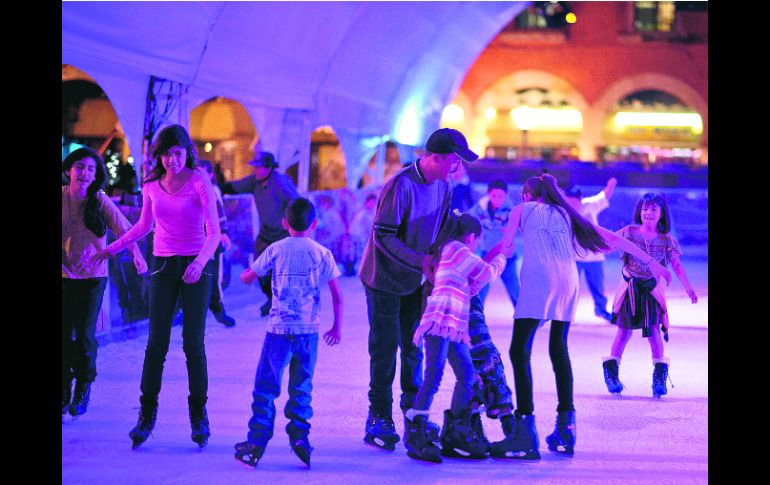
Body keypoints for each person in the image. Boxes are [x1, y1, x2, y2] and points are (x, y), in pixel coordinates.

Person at [497, 174, 670, 459]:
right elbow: (613, 238)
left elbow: (506, 247)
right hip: (567, 282)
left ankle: (525, 428)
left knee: (519, 351)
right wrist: (651, 261)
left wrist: (477, 265)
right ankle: (567, 425)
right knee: (558, 349)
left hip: (539, 280)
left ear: (528, 195)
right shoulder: (568, 214)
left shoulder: (521, 210)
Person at [93, 124, 221, 450]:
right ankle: (146, 414)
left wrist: (199, 263)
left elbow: (214, 232)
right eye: (165, 154)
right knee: (156, 344)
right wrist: (112, 247)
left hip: (196, 265)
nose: (171, 160)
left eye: (177, 153)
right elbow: (143, 226)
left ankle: (198, 414)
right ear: (159, 156)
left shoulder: (199, 182)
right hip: (163, 265)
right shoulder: (151, 185)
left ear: (186, 153)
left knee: (193, 343)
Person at [358, 127, 478, 451]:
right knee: (384, 350)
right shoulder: (401, 185)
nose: (457, 167)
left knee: (413, 348)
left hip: (415, 279)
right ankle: (378, 416)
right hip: (382, 279)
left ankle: (412, 412)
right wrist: (420, 260)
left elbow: (441, 229)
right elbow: (382, 235)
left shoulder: (444, 184)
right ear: (435, 157)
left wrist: (453, 251)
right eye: (454, 161)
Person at [234, 198, 343, 468]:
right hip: (309, 332)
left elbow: (249, 276)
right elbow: (338, 297)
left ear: (285, 223)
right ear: (314, 224)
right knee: (301, 386)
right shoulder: (322, 253)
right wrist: (337, 327)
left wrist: (245, 274)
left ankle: (256, 442)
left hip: (279, 332)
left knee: (266, 386)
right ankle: (300, 438)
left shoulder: (276, 249)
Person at [404, 213, 509, 463]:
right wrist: (502, 257)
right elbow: (486, 272)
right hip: (440, 320)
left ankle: (457, 427)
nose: (475, 247)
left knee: (466, 373)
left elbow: (472, 281)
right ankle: (415, 425)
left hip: (454, 325)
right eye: (477, 242)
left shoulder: (454, 253)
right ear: (471, 237)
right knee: (434, 375)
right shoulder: (456, 249)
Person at [62, 148, 147, 418]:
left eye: (90, 168)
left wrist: (137, 255)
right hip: (64, 276)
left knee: (85, 334)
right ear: (68, 171)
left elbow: (126, 229)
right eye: (80, 167)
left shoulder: (99, 200)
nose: (85, 173)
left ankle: (83, 387)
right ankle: (64, 387)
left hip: (93, 277)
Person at [602, 193, 697, 399]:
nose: (648, 212)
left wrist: (688, 287)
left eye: (654, 209)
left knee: (654, 331)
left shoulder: (667, 240)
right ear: (639, 211)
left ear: (662, 214)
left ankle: (659, 377)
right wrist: (590, 242)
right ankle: (612, 372)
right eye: (645, 208)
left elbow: (677, 266)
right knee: (624, 331)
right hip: (630, 289)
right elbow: (609, 242)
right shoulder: (629, 232)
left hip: (652, 291)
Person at [222, 151, 299, 316]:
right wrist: (216, 186)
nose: (255, 171)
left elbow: (297, 201)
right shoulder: (254, 182)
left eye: (258, 167)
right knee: (259, 266)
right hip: (266, 233)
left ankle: (283, 302)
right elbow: (235, 187)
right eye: (254, 167)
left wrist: (293, 223)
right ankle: (271, 298)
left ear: (269, 168)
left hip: (283, 234)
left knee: (281, 270)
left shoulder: (280, 182)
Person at [564, 178, 617, 322]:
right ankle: (566, 313)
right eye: (568, 201)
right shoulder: (563, 212)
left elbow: (604, 196)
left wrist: (610, 185)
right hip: (574, 257)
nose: (571, 204)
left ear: (580, 199)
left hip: (594, 256)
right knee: (571, 287)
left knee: (597, 286)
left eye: (573, 201)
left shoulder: (589, 205)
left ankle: (600, 310)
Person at [196, 159, 236, 327]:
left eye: (203, 172)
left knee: (214, 275)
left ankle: (218, 308)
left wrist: (224, 233)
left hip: (212, 239)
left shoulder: (213, 191)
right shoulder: (191, 188)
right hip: (195, 241)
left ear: (210, 175)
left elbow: (219, 213)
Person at [468, 179, 520, 308]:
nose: (497, 199)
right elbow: (465, 216)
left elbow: (520, 230)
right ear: (488, 194)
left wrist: (511, 231)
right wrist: (455, 213)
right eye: (493, 195)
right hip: (488, 255)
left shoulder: (511, 211)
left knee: (515, 291)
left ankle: (526, 320)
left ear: (506, 195)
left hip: (507, 258)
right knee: (480, 290)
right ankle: (475, 318)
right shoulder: (481, 208)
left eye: (500, 196)